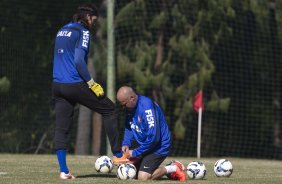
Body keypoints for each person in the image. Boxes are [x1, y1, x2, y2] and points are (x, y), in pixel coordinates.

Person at [52, 3, 127, 180]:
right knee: (108, 109)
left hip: (57, 85)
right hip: (74, 84)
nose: (94, 22)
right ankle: (118, 155)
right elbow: (78, 61)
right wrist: (92, 83)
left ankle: (64, 171)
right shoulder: (83, 32)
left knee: (61, 129)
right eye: (93, 19)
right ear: (87, 17)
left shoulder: (62, 30)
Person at [116, 86, 187, 181]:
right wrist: (126, 143)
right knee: (129, 171)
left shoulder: (146, 108)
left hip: (159, 147)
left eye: (124, 104)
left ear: (132, 98)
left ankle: (173, 167)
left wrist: (135, 152)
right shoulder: (129, 108)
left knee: (143, 177)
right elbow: (129, 126)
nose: (123, 107)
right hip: (146, 146)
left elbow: (154, 138)